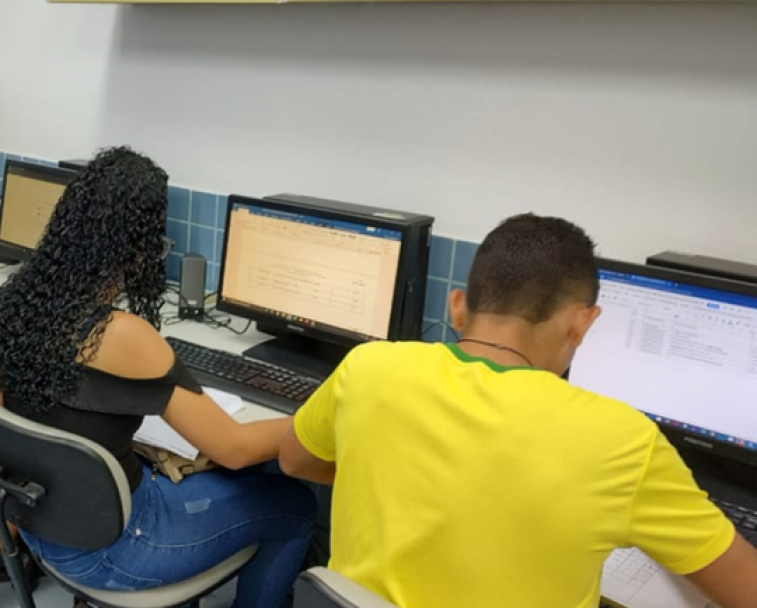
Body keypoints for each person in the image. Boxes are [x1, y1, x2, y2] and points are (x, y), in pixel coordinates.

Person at [279, 214, 757, 608]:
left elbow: (295, 461)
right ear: (582, 321)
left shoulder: (369, 365)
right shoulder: (622, 440)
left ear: (458, 307)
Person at [0, 146, 316, 608]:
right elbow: (234, 450)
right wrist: (320, 414)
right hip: (117, 549)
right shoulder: (124, 337)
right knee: (294, 504)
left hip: (42, 531)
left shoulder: (18, 304)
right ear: (139, 246)